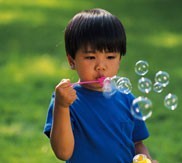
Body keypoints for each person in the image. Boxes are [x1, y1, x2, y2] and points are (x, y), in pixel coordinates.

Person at [43, 8, 158, 163]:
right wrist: (62, 106)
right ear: (72, 61)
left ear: (120, 60)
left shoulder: (127, 99)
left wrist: (147, 160)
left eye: (110, 57)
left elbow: (138, 144)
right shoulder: (66, 100)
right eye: (91, 57)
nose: (101, 66)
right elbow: (63, 153)